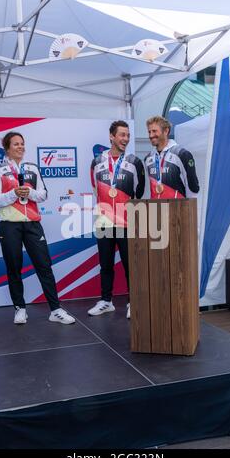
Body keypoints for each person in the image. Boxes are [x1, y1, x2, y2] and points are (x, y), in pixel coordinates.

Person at [0, 131, 75, 326]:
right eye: (16, 144)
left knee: (44, 266)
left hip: (33, 224)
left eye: (22, 143)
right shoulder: (0, 171)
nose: (20, 147)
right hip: (9, 225)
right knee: (14, 268)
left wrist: (30, 192)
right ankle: (20, 309)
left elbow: (44, 195)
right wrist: (13, 193)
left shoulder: (32, 168)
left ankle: (55, 309)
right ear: (7, 148)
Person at [88, 120, 145, 319]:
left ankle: (134, 302)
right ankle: (106, 301)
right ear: (111, 136)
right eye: (122, 135)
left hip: (126, 222)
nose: (125, 139)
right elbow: (95, 189)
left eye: (127, 135)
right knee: (105, 264)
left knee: (131, 264)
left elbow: (139, 192)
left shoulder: (134, 162)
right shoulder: (96, 162)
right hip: (104, 221)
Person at [145, 116, 199, 199]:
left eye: (154, 131)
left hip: (177, 209)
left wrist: (190, 209)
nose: (151, 135)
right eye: (149, 132)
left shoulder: (181, 154)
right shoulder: (148, 158)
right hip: (155, 209)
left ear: (166, 131)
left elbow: (192, 187)